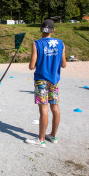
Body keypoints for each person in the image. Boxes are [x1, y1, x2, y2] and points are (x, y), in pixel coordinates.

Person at [25, 19, 66, 148]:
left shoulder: (37, 44)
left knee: (44, 109)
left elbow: (32, 66)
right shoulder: (61, 43)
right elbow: (64, 64)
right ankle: (53, 136)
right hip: (54, 80)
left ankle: (41, 139)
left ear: (41, 29)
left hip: (41, 79)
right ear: (53, 30)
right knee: (55, 107)